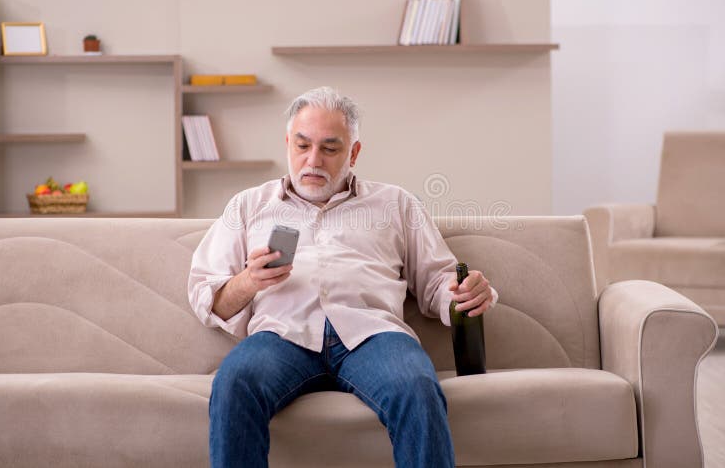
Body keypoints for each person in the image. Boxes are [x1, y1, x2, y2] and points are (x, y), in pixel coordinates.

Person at [188, 86, 497, 468]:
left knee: (417, 386)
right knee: (234, 382)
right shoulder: (248, 206)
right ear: (287, 144)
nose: (313, 160)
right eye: (302, 145)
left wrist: (462, 294)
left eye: (329, 148)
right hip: (283, 337)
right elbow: (207, 296)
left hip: (373, 337)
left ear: (353, 153)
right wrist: (249, 281)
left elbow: (437, 281)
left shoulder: (396, 204)